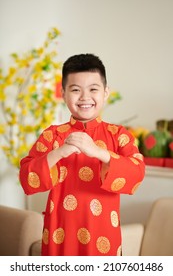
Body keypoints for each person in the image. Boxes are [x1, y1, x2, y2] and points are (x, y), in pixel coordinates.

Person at [19, 53, 145, 256]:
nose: (85, 97)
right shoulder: (52, 135)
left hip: (103, 236)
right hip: (59, 234)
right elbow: (27, 177)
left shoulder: (119, 135)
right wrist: (59, 153)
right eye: (76, 90)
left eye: (93, 89)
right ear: (64, 93)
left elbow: (137, 174)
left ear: (105, 93)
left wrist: (98, 152)